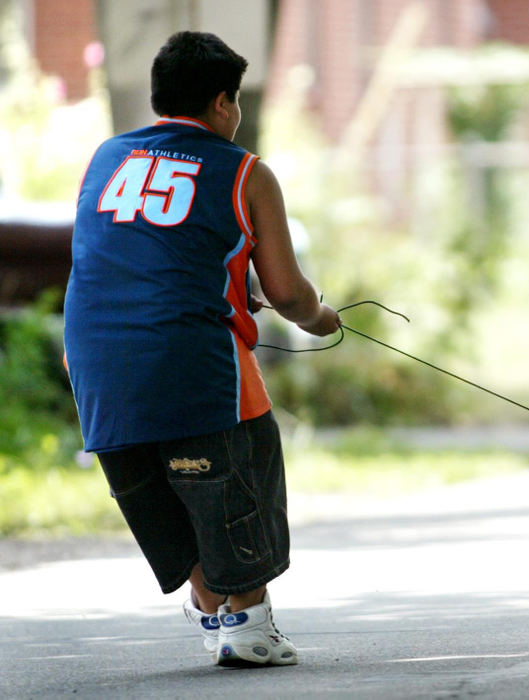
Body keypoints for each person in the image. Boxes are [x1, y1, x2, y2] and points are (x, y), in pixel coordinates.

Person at [63, 31, 340, 667]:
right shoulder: (244, 170)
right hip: (193, 364)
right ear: (222, 103)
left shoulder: (106, 158)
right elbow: (290, 293)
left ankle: (212, 605)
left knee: (152, 484)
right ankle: (248, 620)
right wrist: (320, 318)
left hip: (98, 368)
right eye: (236, 101)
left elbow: (139, 256)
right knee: (244, 461)